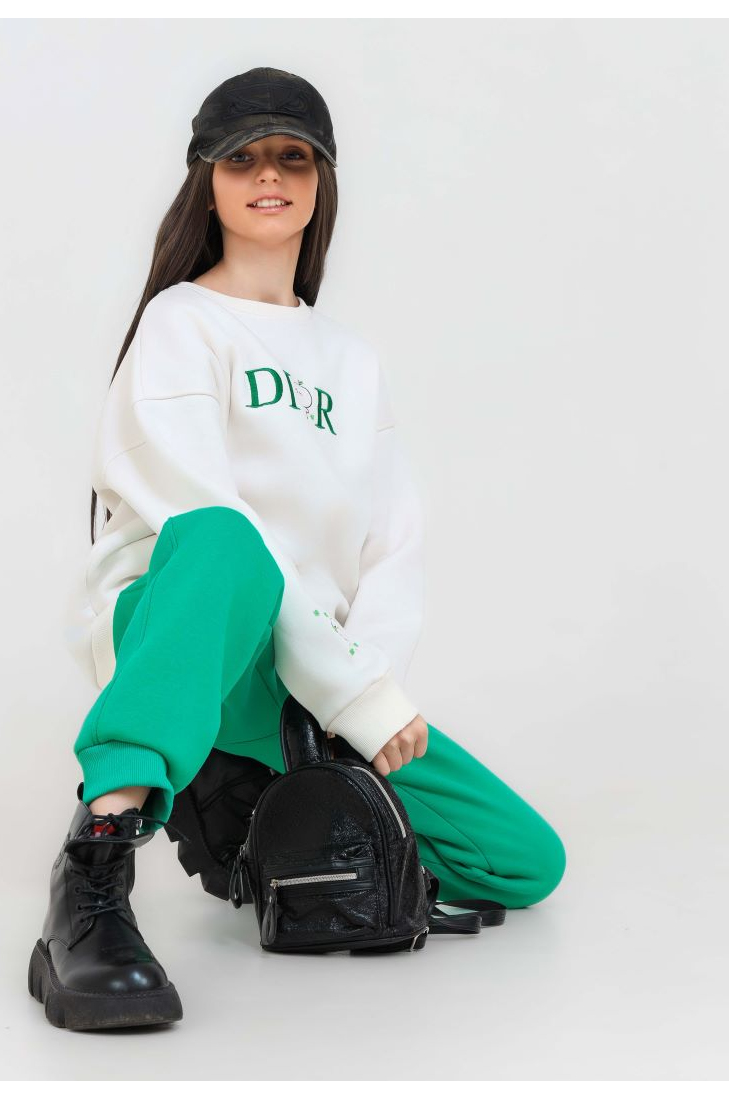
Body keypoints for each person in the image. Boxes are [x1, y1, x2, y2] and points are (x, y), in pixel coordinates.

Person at [29, 66, 567, 1031]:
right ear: (207, 182)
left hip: (304, 681)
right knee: (227, 538)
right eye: (242, 159)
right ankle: (94, 867)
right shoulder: (181, 322)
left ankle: (263, 818)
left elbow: (392, 543)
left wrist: (361, 696)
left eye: (293, 157)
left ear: (322, 182)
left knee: (525, 861)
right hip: (194, 633)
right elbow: (196, 508)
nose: (269, 175)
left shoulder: (351, 360)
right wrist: (347, 688)